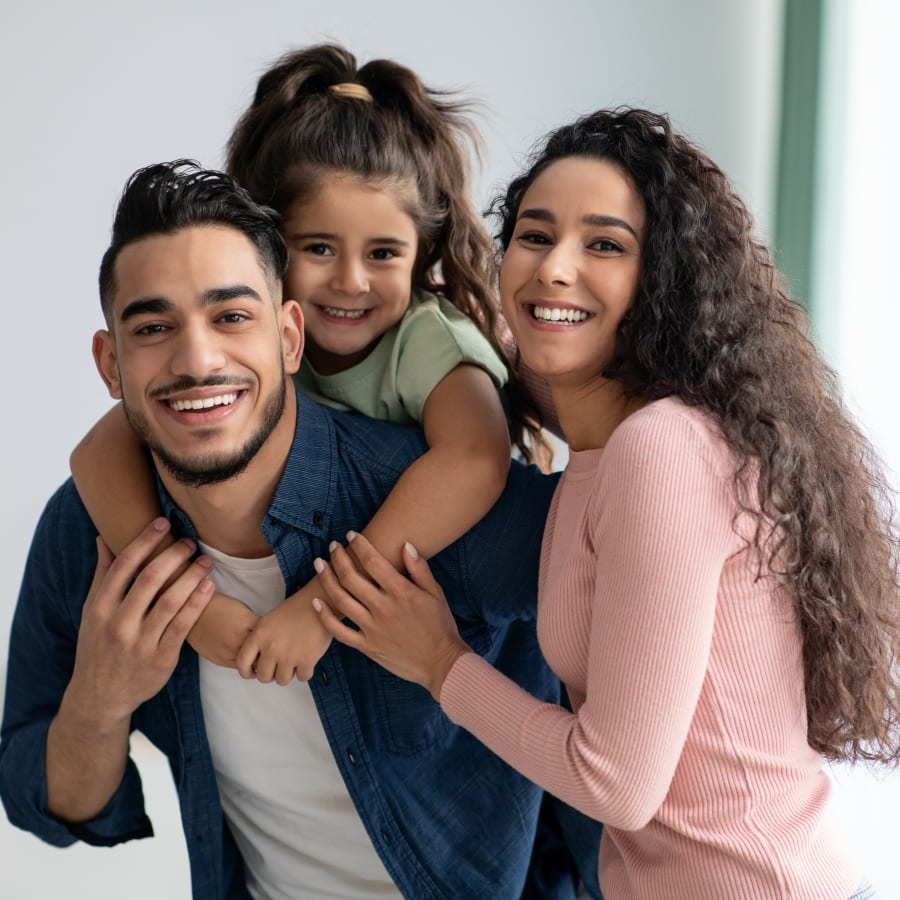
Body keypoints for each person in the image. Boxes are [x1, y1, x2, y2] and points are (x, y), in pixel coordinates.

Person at [312, 108, 900, 900]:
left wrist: (437, 661)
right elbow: (498, 361)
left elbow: (614, 783)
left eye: (604, 245)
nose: (555, 267)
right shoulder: (610, 430)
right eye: (534, 234)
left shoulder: (663, 449)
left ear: (662, 281)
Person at [0, 160, 571, 899]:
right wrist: (102, 698)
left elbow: (640, 578)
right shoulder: (88, 534)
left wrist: (442, 663)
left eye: (232, 317)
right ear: (111, 365)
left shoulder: (433, 507)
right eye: (153, 326)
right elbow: (44, 804)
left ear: (290, 337)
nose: (197, 359)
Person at [68, 44, 548, 684]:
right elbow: (97, 454)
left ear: (420, 253)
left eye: (383, 253)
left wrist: (319, 610)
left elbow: (474, 461)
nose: (350, 282)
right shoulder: (243, 344)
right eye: (319, 247)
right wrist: (191, 605)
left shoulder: (427, 341)